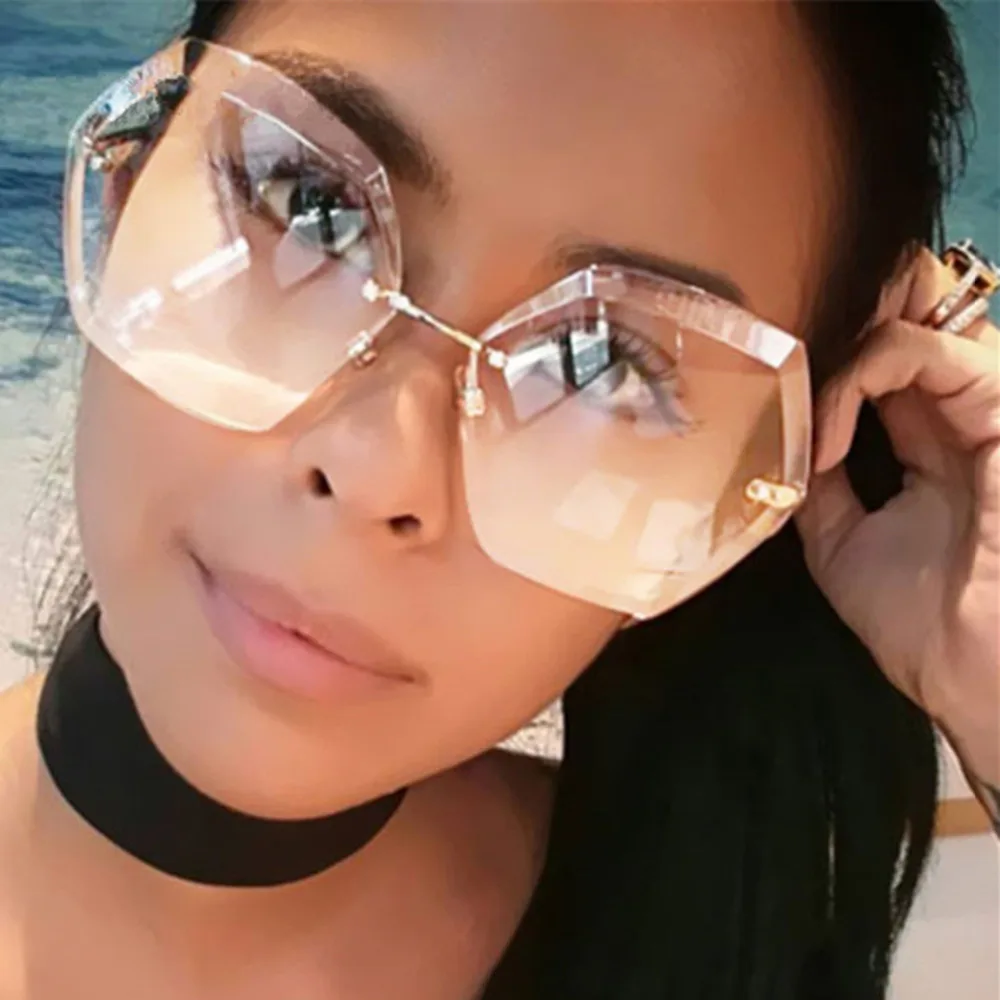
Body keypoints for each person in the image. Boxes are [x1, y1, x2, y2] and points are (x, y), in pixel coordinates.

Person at [0, 1, 996, 997]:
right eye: (314, 207)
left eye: (596, 361)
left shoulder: (714, 942)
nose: (376, 470)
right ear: (132, 175)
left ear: (750, 491)